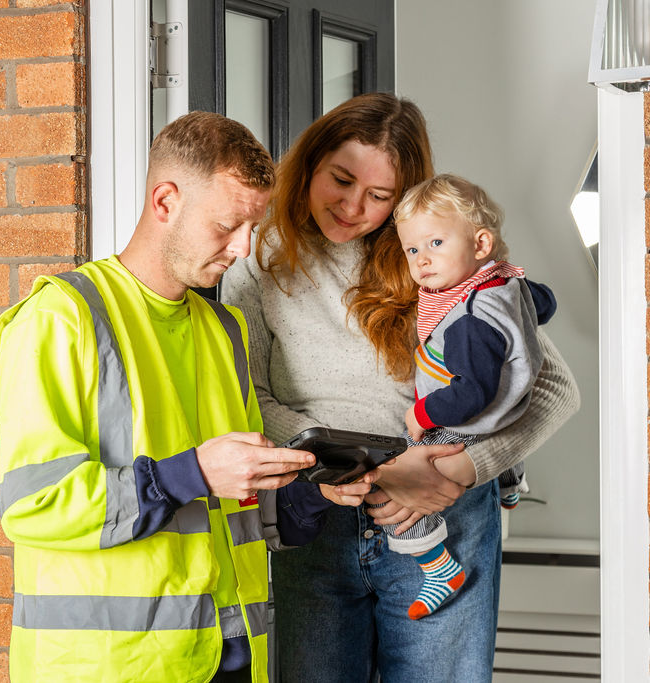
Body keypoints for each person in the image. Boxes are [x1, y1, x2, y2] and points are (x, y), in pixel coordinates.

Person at [0, 111, 377, 683]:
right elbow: (33, 504)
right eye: (228, 225)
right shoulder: (61, 319)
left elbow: (243, 515)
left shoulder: (226, 330)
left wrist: (311, 496)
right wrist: (190, 472)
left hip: (233, 657)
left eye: (253, 226)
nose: (244, 248)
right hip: (109, 668)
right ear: (165, 201)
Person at [220, 93, 580, 681]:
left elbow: (552, 387)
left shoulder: (432, 258)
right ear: (310, 163)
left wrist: (461, 469)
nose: (352, 205)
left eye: (379, 196)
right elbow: (248, 397)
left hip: (439, 514)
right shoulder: (257, 257)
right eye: (339, 179)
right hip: (315, 515)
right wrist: (375, 469)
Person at [370, 173, 556, 622]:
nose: (422, 260)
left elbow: (469, 395)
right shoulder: (505, 285)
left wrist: (422, 413)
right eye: (412, 250)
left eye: (435, 243)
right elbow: (545, 303)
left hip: (465, 420)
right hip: (512, 407)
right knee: (501, 423)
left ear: (481, 244)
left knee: (394, 501)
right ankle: (511, 483)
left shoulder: (468, 316)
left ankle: (438, 568)